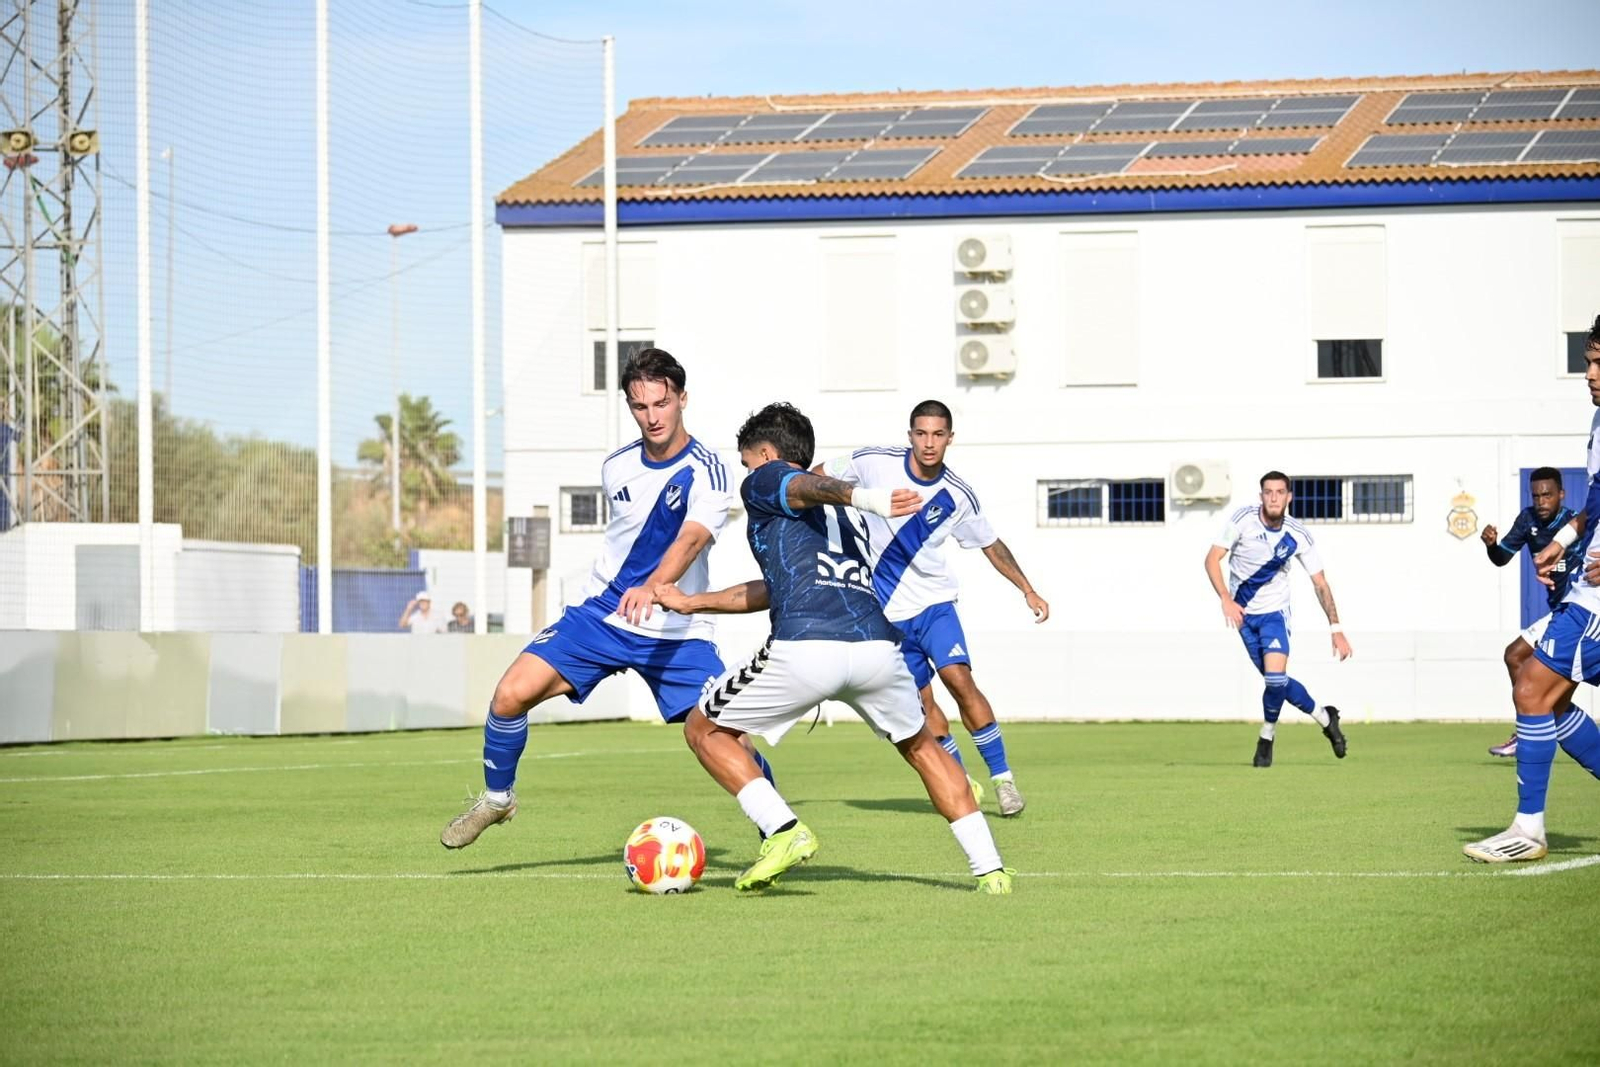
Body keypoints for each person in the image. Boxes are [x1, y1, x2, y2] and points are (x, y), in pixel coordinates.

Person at [653, 401, 1016, 894]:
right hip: (878, 651)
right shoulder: (835, 520)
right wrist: (695, 602)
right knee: (923, 747)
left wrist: (863, 497)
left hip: (807, 647)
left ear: (764, 453)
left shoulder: (769, 479)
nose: (748, 474)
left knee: (704, 728)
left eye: (747, 461)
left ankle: (783, 831)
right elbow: (769, 587)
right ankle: (991, 870)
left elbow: (801, 483)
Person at [438, 348, 772, 848]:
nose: (652, 417)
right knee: (510, 696)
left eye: (661, 403)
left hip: (676, 631)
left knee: (727, 737)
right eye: (640, 407)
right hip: (603, 614)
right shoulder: (616, 466)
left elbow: (693, 539)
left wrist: (655, 587)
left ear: (682, 399)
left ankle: (778, 826)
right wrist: (629, 591)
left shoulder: (710, 470)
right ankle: (497, 799)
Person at [811, 400, 1047, 816]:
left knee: (959, 680)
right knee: (922, 703)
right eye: (921, 433)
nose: (929, 443)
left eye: (938, 434)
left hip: (935, 606)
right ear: (910, 436)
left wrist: (1027, 589)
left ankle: (1003, 781)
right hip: (886, 613)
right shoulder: (871, 462)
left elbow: (991, 544)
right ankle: (958, 779)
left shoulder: (957, 494)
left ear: (950, 438)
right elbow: (815, 479)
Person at [1464, 314, 1600, 863]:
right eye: (1589, 360)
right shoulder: (1598, 420)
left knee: (1532, 691)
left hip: (1594, 602)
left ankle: (1529, 829)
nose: (1589, 373)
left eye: (1597, 362)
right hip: (1584, 589)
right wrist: (1565, 539)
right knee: (1532, 678)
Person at [1204, 471, 1352, 767]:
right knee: (1277, 682)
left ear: (1289, 497)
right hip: (1244, 615)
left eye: (1280, 492)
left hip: (1274, 614)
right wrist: (1226, 598)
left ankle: (1266, 737)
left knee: (1274, 678)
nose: (1274, 497)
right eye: (1268, 492)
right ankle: (1326, 717)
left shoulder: (1297, 535)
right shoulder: (1242, 520)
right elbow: (1211, 559)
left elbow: (1320, 583)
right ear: (1261, 496)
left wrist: (1336, 629)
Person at [1479, 468, 1581, 758]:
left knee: (1559, 685)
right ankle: (1529, 730)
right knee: (1515, 656)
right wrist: (1490, 546)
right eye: (1536, 495)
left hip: (1579, 610)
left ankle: (1533, 729)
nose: (1541, 501)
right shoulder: (1527, 520)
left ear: (1561, 494)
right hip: (1559, 613)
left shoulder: (1574, 525)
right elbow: (1501, 558)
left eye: (1547, 495)